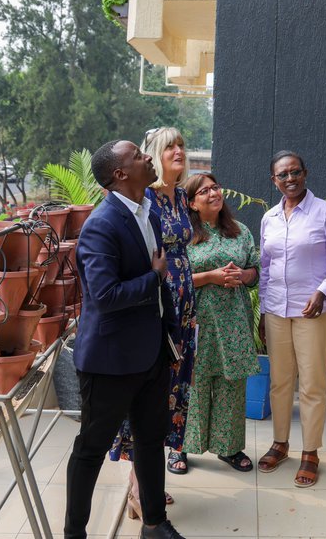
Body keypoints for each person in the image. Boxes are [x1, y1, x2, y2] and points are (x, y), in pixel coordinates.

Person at [65, 140, 184, 539]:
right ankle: (74, 534)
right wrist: (155, 277)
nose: (148, 157)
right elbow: (105, 295)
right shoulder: (101, 224)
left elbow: (160, 287)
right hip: (110, 361)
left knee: (151, 442)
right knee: (91, 450)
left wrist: (170, 334)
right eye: (138, 156)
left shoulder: (148, 213)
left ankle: (154, 524)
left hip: (151, 354)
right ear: (119, 174)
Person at [257, 150, 326, 487]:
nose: (290, 179)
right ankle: (280, 444)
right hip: (276, 311)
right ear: (274, 180)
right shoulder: (269, 218)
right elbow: (265, 268)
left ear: (305, 173)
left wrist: (322, 292)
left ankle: (310, 452)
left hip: (314, 312)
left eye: (295, 172)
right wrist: (263, 312)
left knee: (312, 384)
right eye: (282, 175)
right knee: (280, 381)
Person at [109, 127, 198, 484]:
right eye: (169, 147)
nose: (178, 151)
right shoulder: (146, 197)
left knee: (173, 388)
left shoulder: (181, 195)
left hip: (185, 308)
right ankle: (138, 485)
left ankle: (151, 477)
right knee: (150, 390)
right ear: (155, 155)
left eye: (181, 145)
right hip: (158, 302)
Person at [183, 172, 260, 471]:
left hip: (234, 322)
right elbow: (173, 279)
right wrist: (210, 277)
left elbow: (255, 271)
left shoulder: (240, 231)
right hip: (197, 322)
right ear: (192, 203)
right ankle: (181, 447)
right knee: (194, 382)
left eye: (215, 188)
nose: (213, 193)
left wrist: (243, 275)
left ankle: (229, 448)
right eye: (204, 191)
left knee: (232, 384)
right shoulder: (184, 234)